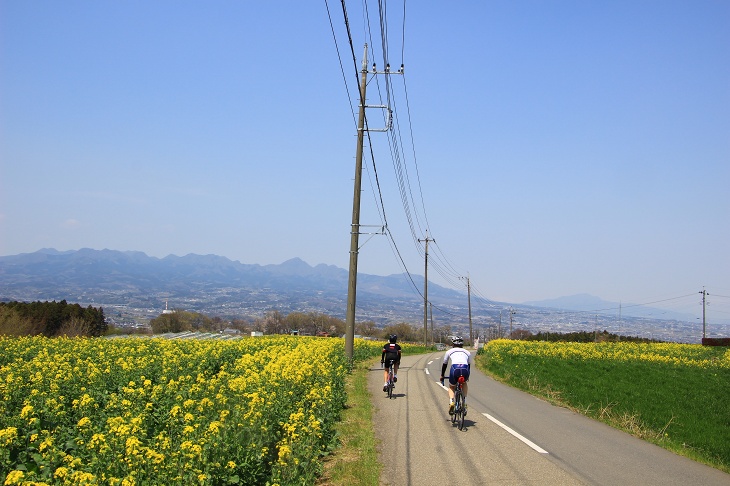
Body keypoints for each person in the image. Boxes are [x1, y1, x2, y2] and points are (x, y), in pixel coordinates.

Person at [440, 336, 473, 415]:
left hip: (455, 369)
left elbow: (445, 364)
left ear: (453, 344)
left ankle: (452, 402)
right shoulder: (467, 352)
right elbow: (469, 365)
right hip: (465, 369)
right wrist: (467, 376)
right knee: (464, 383)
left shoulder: (449, 351)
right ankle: (464, 403)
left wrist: (442, 375)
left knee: (452, 387)